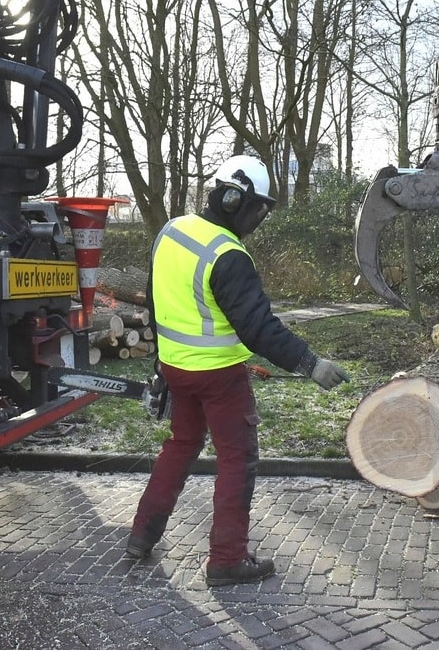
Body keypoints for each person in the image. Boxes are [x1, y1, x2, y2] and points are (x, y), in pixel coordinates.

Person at [129, 155, 351, 587]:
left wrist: (162, 365)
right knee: (237, 459)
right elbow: (258, 329)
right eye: (259, 210)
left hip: (176, 368)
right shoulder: (228, 255)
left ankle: (141, 534)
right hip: (219, 376)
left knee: (180, 445)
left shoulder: (171, 231)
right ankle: (227, 559)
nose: (259, 220)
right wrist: (311, 364)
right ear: (237, 202)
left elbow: (155, 302)